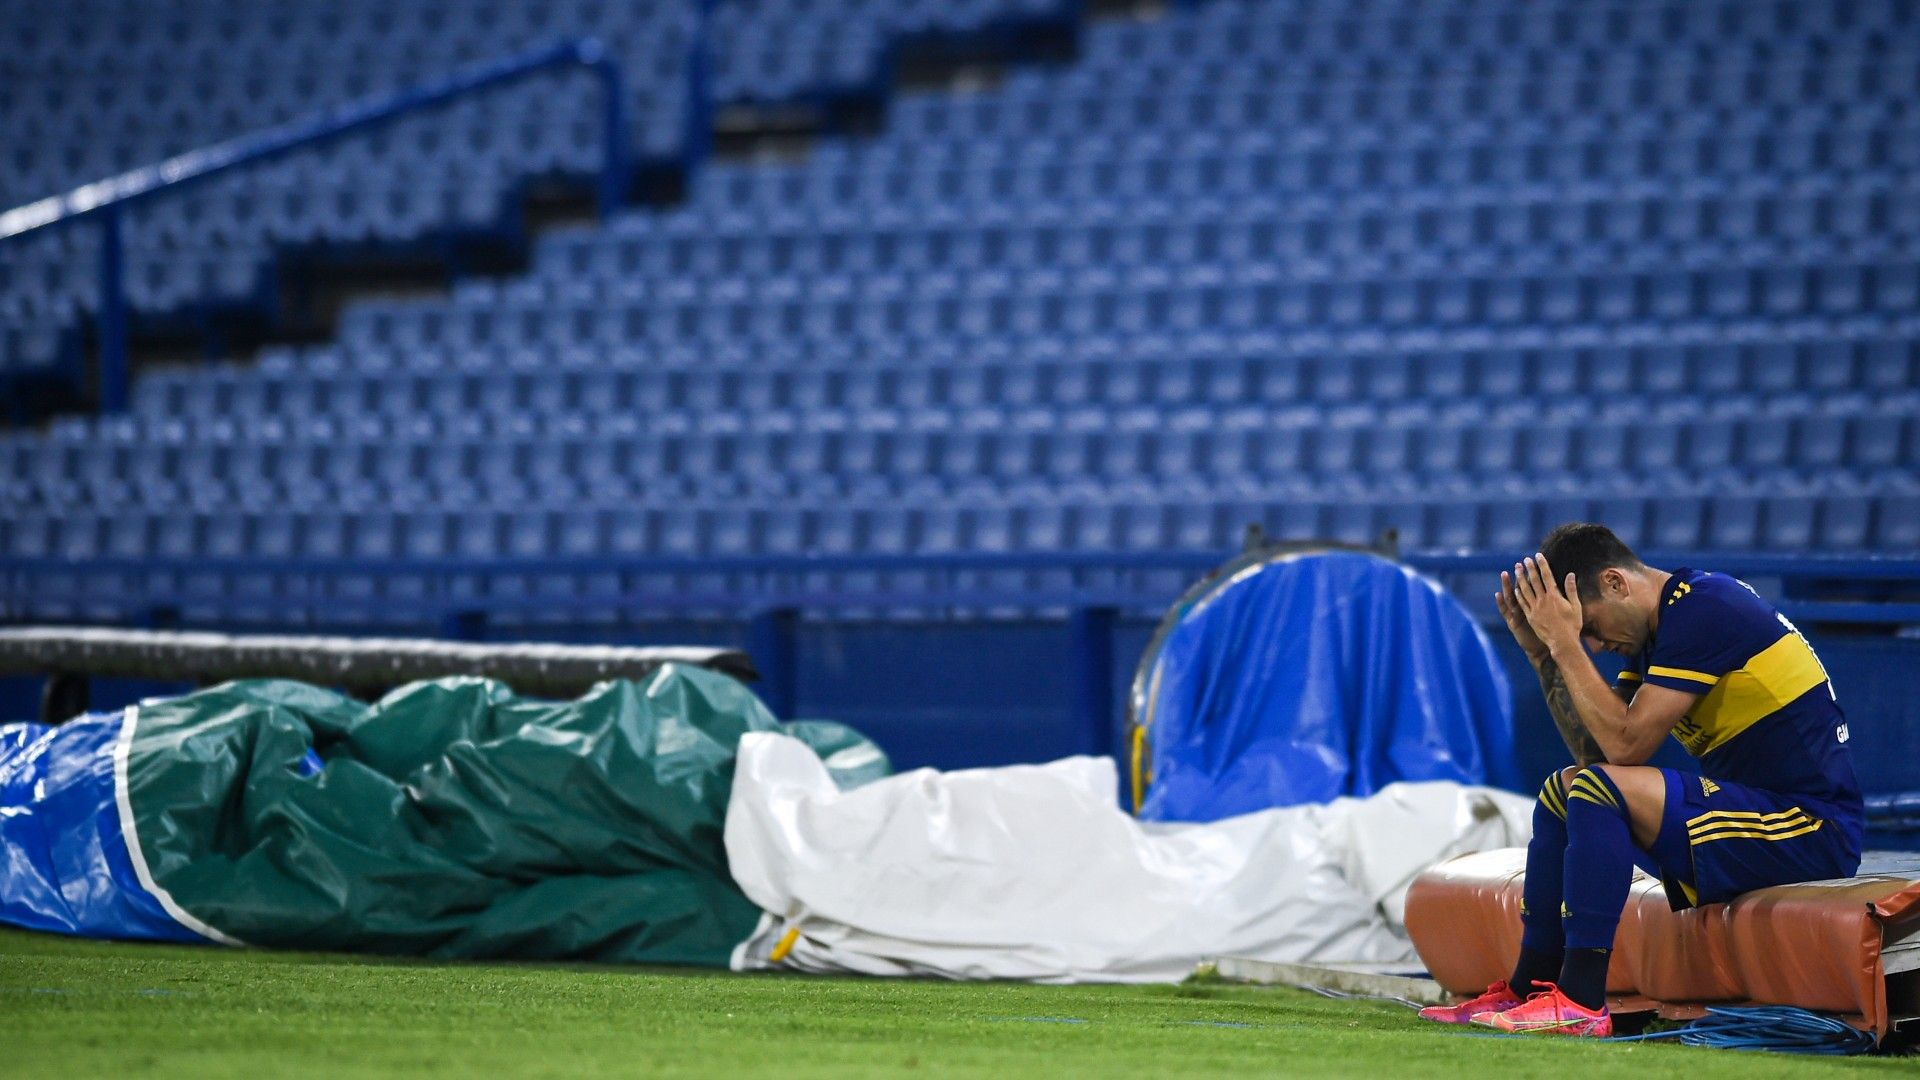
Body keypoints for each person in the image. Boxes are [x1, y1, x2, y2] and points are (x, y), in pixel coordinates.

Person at [1417, 522, 1863, 1036]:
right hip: (1756, 811)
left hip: (1808, 828)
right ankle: (1530, 987)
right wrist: (1544, 656)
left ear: (1615, 583)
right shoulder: (1661, 630)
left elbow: (1626, 748)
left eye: (1589, 627)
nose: (1594, 644)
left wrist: (1565, 648)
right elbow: (1598, 755)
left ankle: (1582, 999)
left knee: (1594, 789)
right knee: (1565, 791)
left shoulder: (1705, 608)